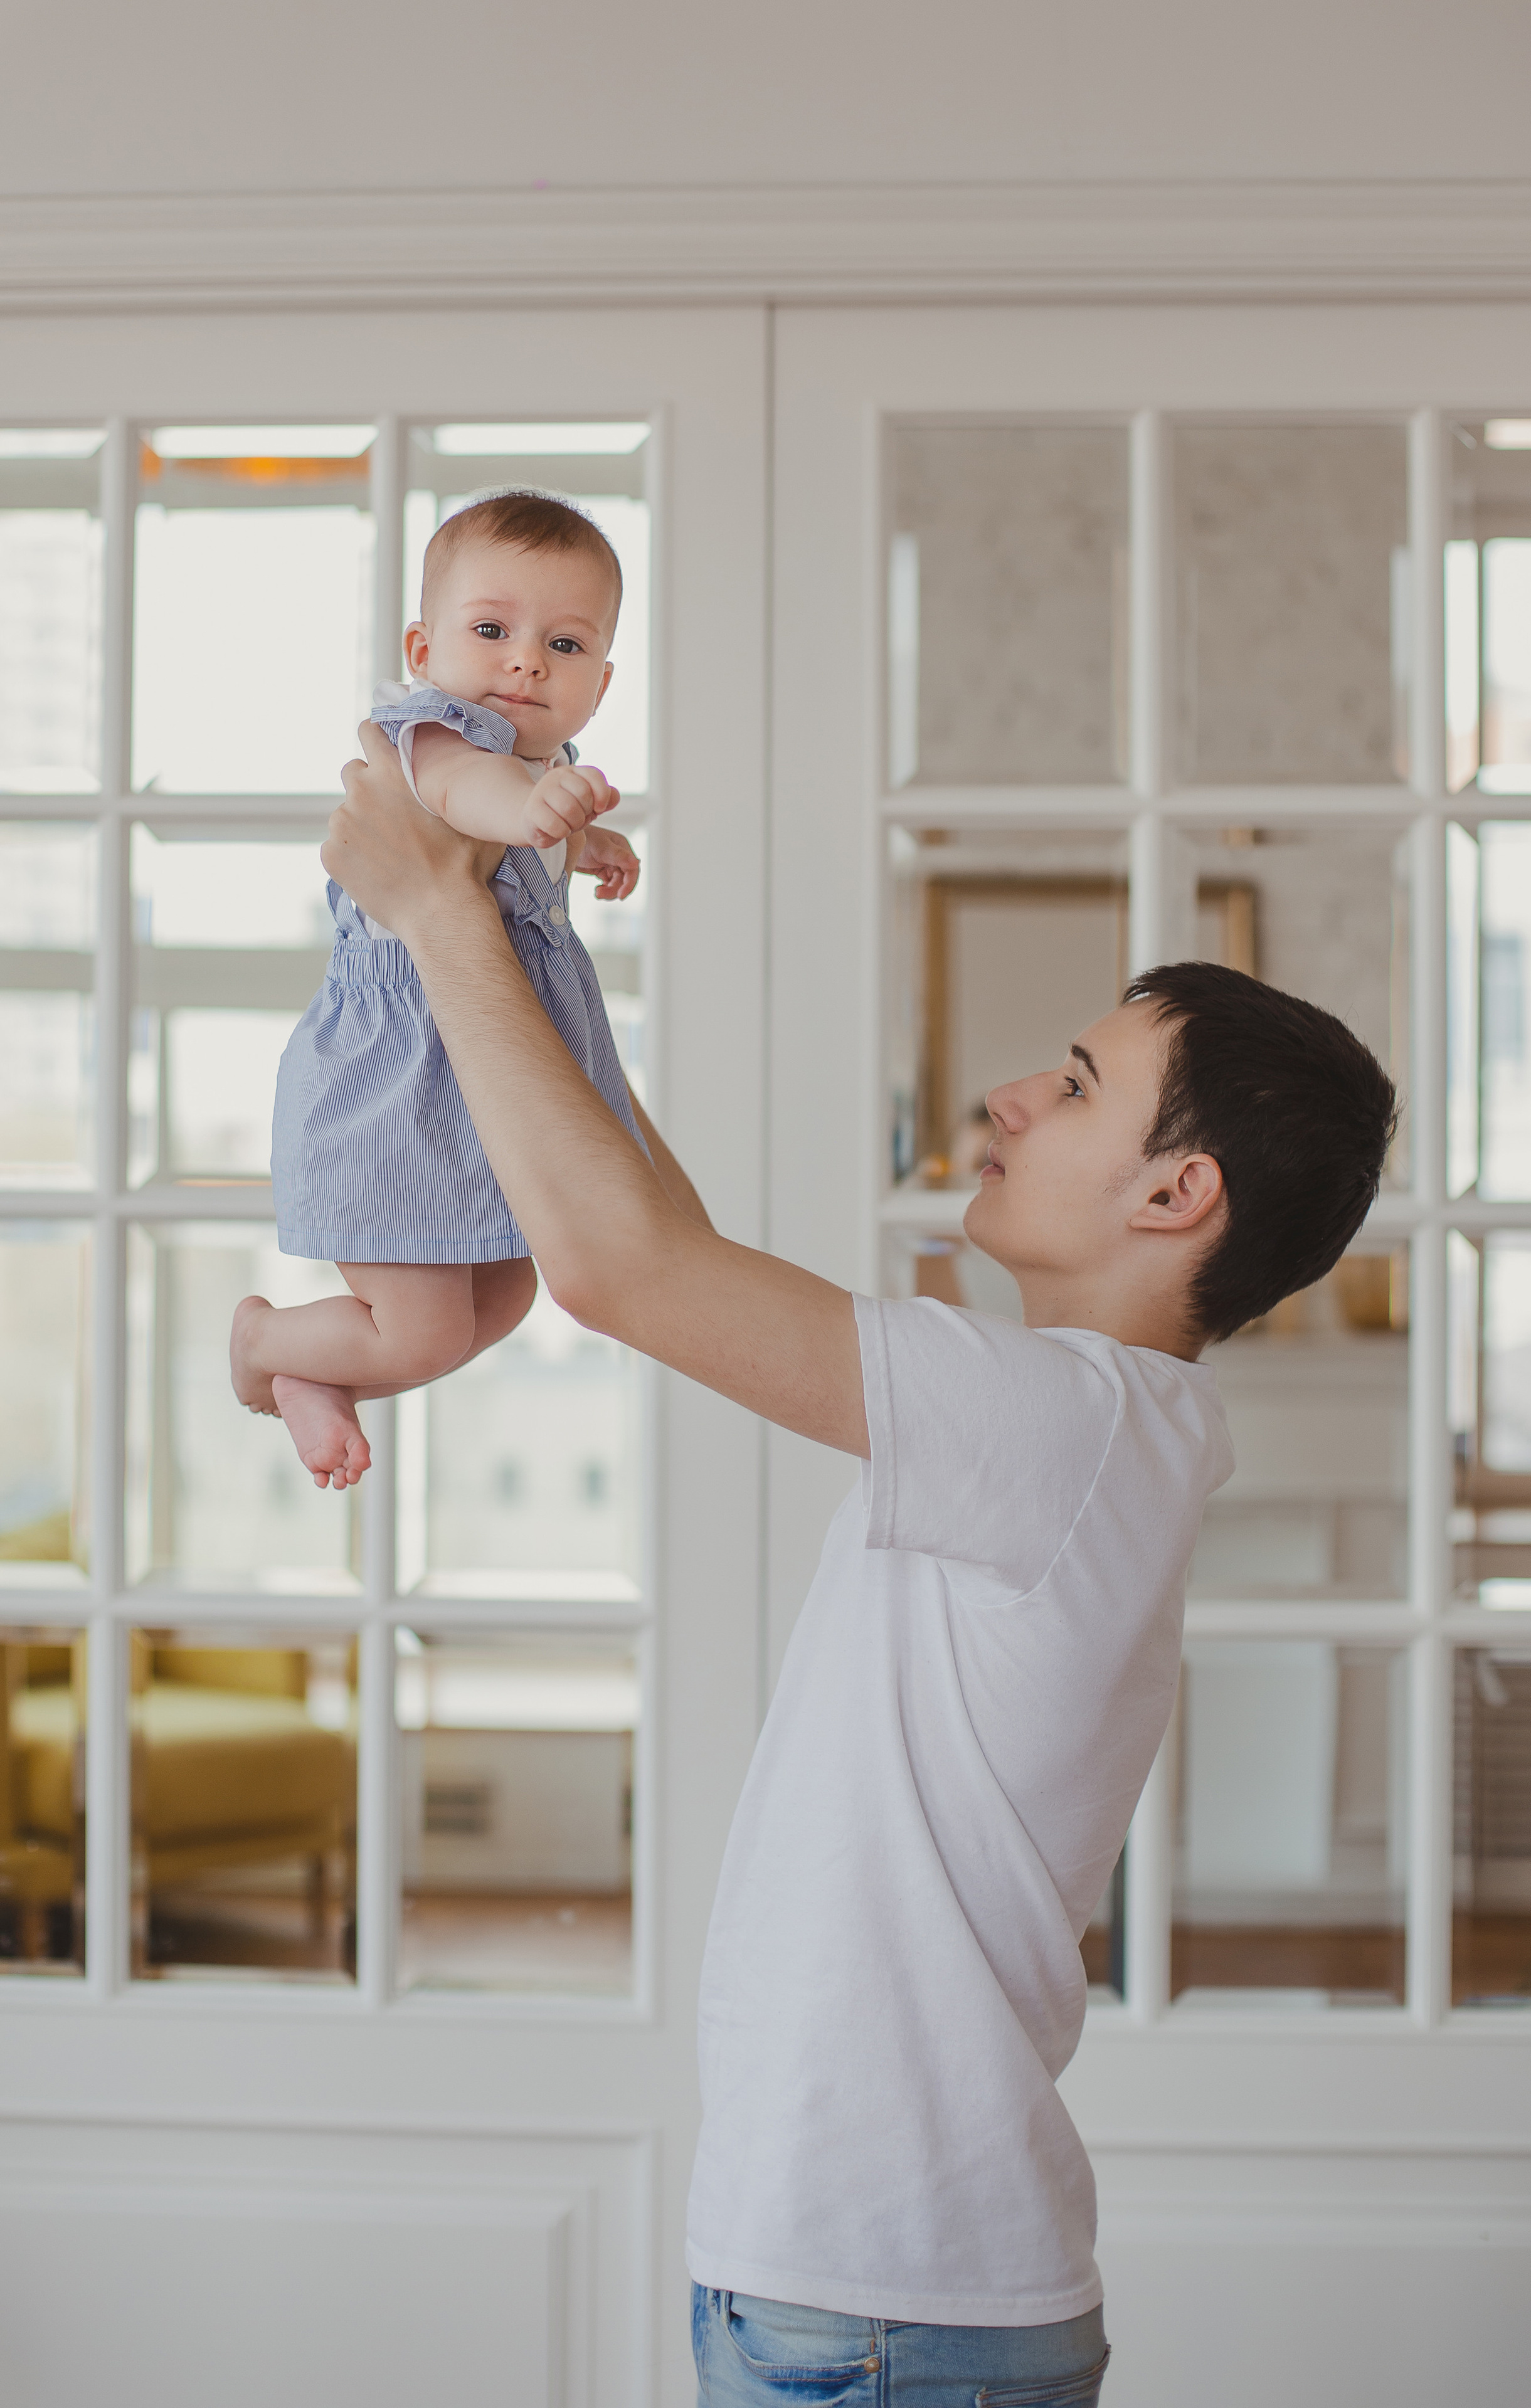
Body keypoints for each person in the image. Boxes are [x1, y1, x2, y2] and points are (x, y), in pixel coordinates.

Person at [319, 726, 1398, 2407]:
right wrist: (524, 935)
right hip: (872, 2297)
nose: (1008, 1099)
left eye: (1078, 1084)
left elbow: (622, 1274)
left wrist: (435, 925)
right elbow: (663, 1237)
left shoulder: (1062, 1424)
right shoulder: (1089, 1425)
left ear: (1178, 1192)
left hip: (888, 2314)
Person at [230, 492, 642, 1491]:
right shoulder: (431, 739)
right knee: (418, 1335)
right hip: (397, 1091)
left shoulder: (547, 764)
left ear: (603, 679)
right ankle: (267, 1347)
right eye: (492, 629)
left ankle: (316, 1377)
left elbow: (522, 817)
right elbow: (471, 797)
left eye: (567, 643)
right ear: (423, 646)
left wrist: (584, 841)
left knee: (502, 1303)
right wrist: (541, 808)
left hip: (487, 1091)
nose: (527, 661)